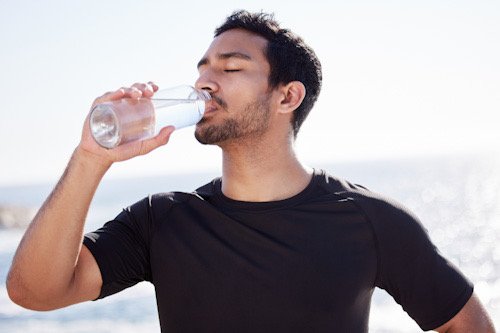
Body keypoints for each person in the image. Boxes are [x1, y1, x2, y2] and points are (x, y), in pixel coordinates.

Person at [6, 10, 495, 333]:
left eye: (230, 68)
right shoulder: (162, 221)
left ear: (287, 96)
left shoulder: (370, 221)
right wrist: (90, 158)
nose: (204, 82)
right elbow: (34, 292)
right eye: (202, 68)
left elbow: (466, 324)